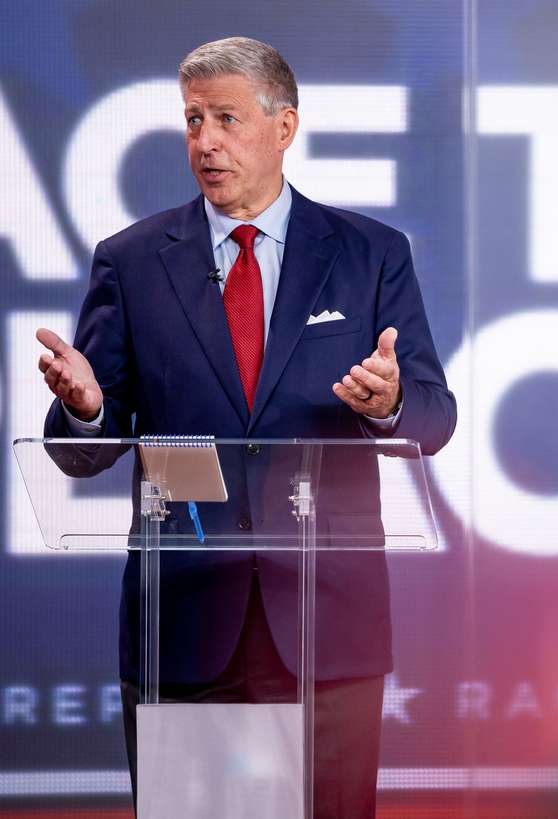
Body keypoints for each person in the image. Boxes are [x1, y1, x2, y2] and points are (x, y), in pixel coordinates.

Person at [35, 36, 456, 817]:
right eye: (193, 120)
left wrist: (387, 404)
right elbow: (79, 449)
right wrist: (88, 407)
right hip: (187, 625)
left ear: (284, 126)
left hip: (328, 625)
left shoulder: (370, 255)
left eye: (226, 118)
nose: (205, 141)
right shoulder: (130, 262)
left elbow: (433, 419)